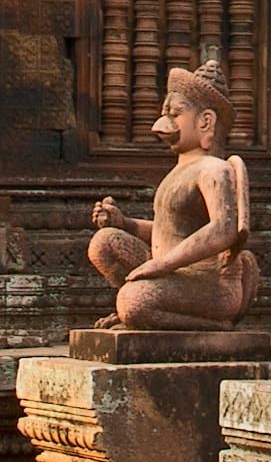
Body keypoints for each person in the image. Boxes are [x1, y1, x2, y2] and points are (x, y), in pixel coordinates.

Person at [85, 61, 256, 328]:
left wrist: (163, 265)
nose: (162, 123)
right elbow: (172, 232)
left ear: (205, 121)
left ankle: (214, 325)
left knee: (133, 300)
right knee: (104, 243)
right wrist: (125, 223)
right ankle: (145, 310)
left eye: (175, 114)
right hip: (176, 274)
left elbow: (224, 230)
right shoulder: (179, 171)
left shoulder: (215, 169)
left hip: (210, 285)